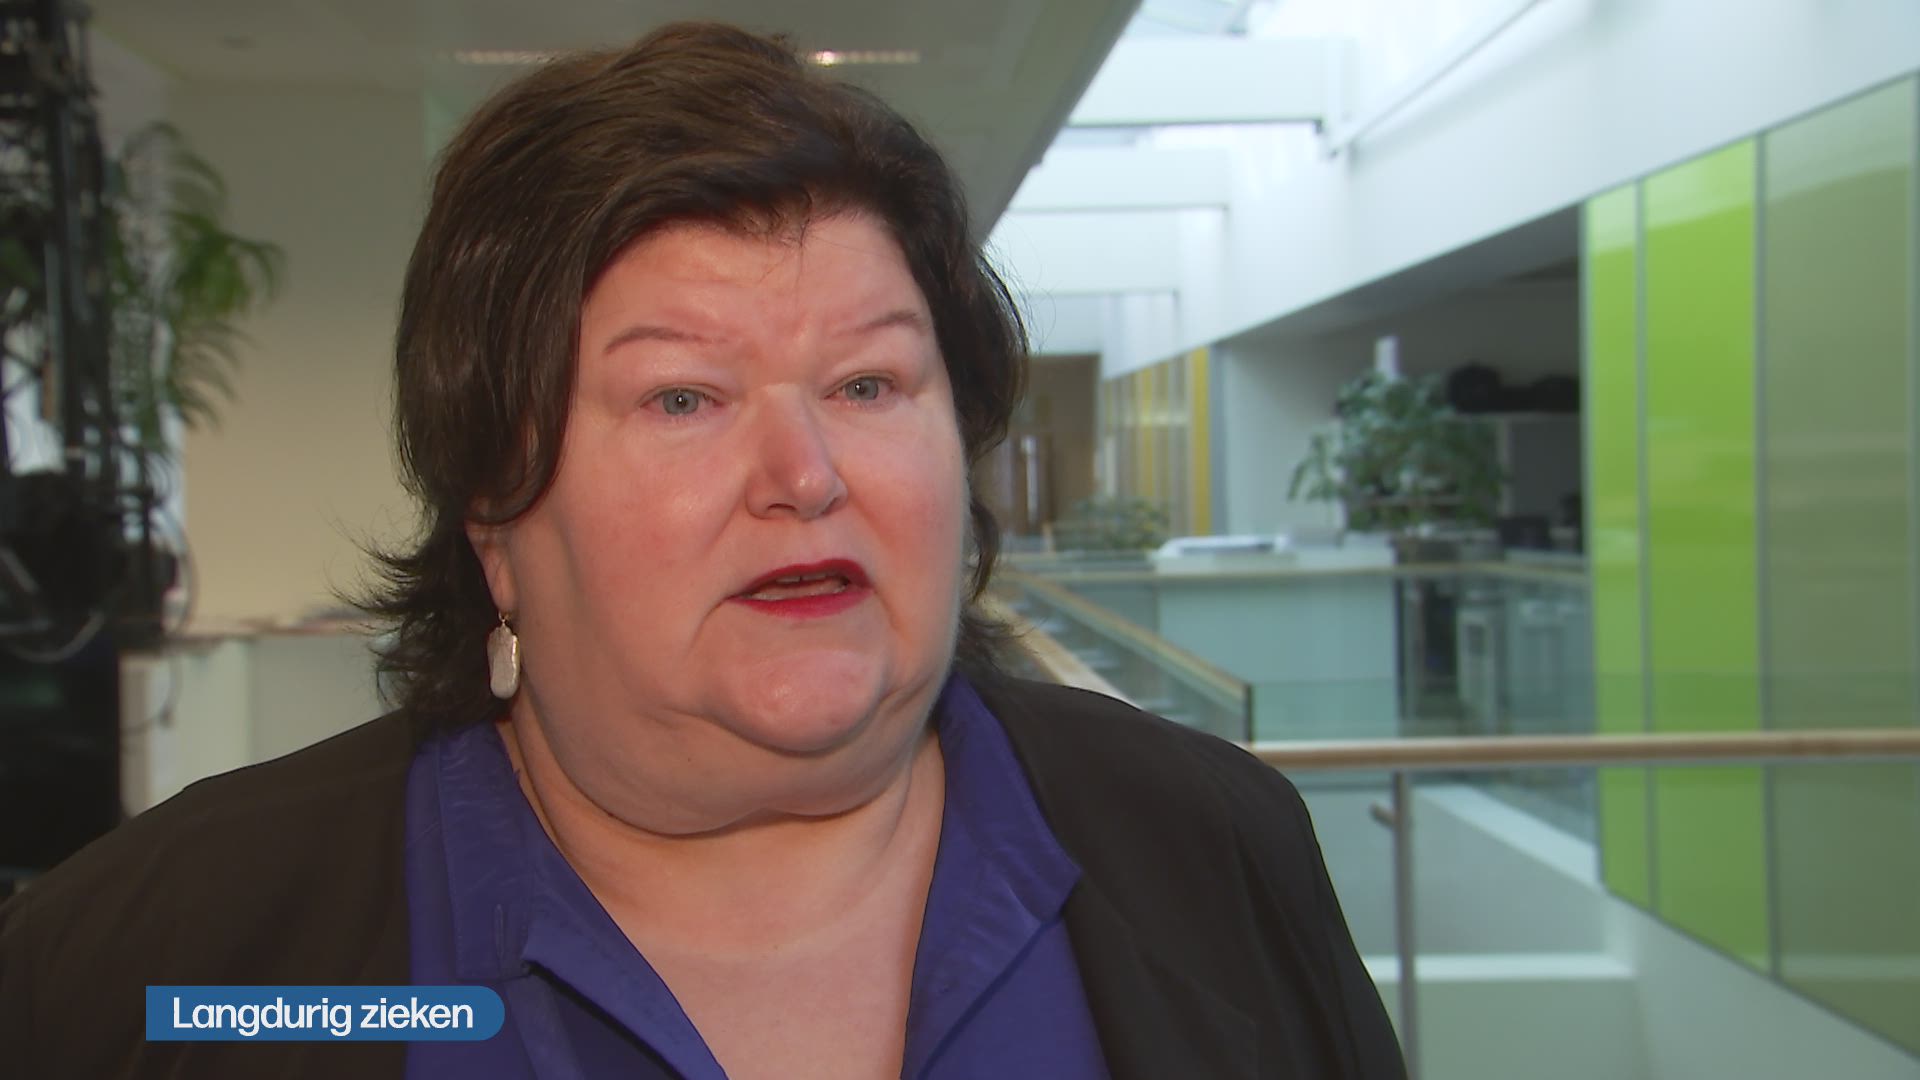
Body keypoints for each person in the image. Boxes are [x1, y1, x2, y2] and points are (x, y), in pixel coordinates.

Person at [0, 21, 1405, 1080]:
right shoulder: (167, 959)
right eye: (683, 398)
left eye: (869, 384)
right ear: (495, 510)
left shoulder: (1214, 845)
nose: (806, 475)